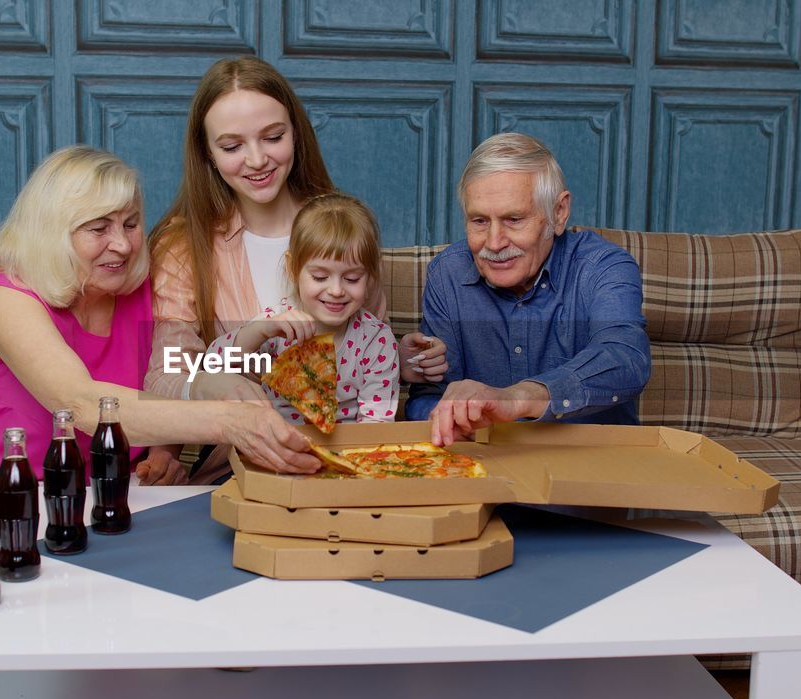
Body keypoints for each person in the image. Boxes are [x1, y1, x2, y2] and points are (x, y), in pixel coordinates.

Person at [0, 145, 319, 521]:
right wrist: (232, 420)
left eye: (131, 224)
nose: (122, 244)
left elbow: (170, 376)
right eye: (98, 228)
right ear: (50, 233)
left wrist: (164, 450)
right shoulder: (7, 299)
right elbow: (82, 405)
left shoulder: (140, 291)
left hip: (114, 492)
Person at [145, 56, 439, 477]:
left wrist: (401, 358)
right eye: (231, 146)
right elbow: (167, 375)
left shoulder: (342, 229)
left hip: (344, 459)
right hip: (240, 465)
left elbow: (365, 355)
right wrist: (169, 446)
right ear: (207, 154)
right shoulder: (182, 246)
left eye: (273, 137)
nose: (257, 159)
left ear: (296, 135)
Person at [405, 133, 651, 446]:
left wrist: (517, 398)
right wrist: (444, 419)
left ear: (559, 213)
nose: (494, 243)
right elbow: (429, 394)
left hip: (589, 475)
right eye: (479, 221)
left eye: (514, 219)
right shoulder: (447, 274)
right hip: (488, 470)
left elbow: (626, 358)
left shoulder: (604, 266)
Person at [206, 193, 399, 424]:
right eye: (320, 277)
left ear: (369, 278)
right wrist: (259, 332)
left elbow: (376, 424)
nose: (336, 290)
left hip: (347, 452)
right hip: (276, 449)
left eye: (352, 278)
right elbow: (213, 363)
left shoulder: (376, 340)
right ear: (293, 269)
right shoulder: (276, 326)